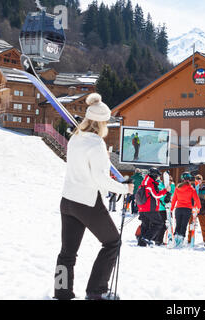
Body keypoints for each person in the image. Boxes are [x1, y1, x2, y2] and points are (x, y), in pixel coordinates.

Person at [54, 93, 134, 300]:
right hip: (87, 202)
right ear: (101, 122)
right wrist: (125, 189)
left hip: (68, 200)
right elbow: (100, 179)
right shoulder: (96, 144)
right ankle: (96, 291)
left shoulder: (75, 139)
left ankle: (61, 292)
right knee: (112, 242)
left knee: (67, 252)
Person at [136, 167, 169, 247]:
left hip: (142, 208)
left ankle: (141, 243)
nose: (158, 177)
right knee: (159, 223)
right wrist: (166, 190)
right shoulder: (150, 184)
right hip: (149, 208)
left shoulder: (144, 182)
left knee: (145, 225)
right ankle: (147, 238)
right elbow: (156, 195)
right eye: (157, 175)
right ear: (154, 175)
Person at [170, 172, 201, 247]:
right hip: (187, 209)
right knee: (184, 225)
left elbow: (174, 200)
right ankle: (180, 241)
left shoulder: (177, 188)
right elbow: (197, 200)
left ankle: (175, 241)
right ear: (189, 180)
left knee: (178, 225)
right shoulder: (191, 189)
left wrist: (171, 209)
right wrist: (198, 208)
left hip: (178, 209)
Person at [154, 175, 175, 245]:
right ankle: (158, 240)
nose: (170, 182)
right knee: (163, 225)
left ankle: (157, 238)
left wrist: (170, 190)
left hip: (167, 208)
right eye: (169, 181)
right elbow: (160, 195)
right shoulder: (160, 186)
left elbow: (173, 193)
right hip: (161, 208)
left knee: (165, 225)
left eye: (170, 181)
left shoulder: (171, 186)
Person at [188, 174, 205, 243]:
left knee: (204, 226)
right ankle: (190, 240)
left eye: (199, 179)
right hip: (193, 209)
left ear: (201, 181)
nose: (198, 181)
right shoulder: (192, 188)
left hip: (202, 209)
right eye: (197, 179)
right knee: (191, 225)